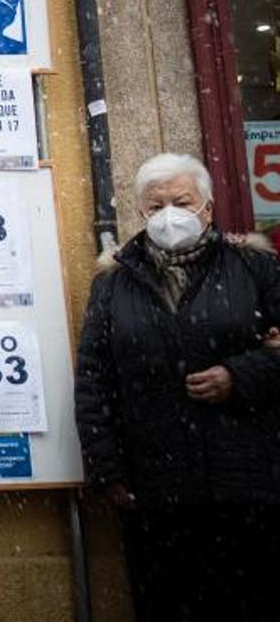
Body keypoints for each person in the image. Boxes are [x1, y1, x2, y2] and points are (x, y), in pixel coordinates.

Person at [74, 153, 280, 621]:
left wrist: (241, 375)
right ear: (141, 213)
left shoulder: (253, 268)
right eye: (155, 205)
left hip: (248, 484)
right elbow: (93, 378)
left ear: (207, 208)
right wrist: (107, 470)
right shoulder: (114, 283)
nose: (169, 215)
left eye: (182, 201)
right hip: (156, 490)